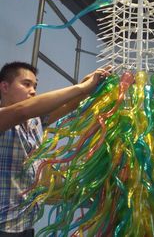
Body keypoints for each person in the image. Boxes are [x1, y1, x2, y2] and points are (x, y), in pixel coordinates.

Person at [0, 61, 111, 237]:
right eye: (26, 84)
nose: (33, 90)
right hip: (4, 228)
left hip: (26, 225)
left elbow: (69, 105)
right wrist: (81, 87)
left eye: (35, 85)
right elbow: (21, 111)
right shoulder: (5, 117)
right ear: (5, 87)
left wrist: (87, 86)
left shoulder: (34, 122)